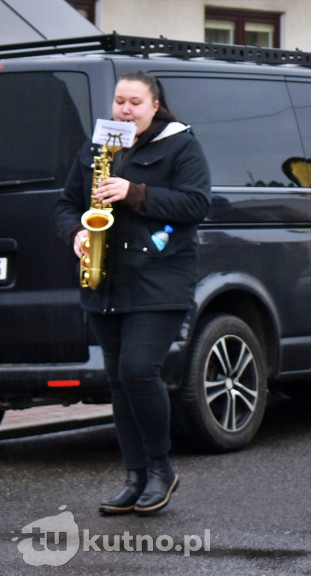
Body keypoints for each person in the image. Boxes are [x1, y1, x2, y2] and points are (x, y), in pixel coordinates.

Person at [54, 71, 212, 515]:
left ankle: (161, 469)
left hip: (160, 277)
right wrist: (75, 234)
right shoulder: (97, 145)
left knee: (140, 370)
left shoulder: (180, 143)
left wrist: (133, 192)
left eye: (134, 102)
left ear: (154, 106)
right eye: (119, 101)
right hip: (106, 279)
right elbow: (67, 203)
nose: (125, 109)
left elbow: (197, 203)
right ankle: (134, 475)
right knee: (120, 382)